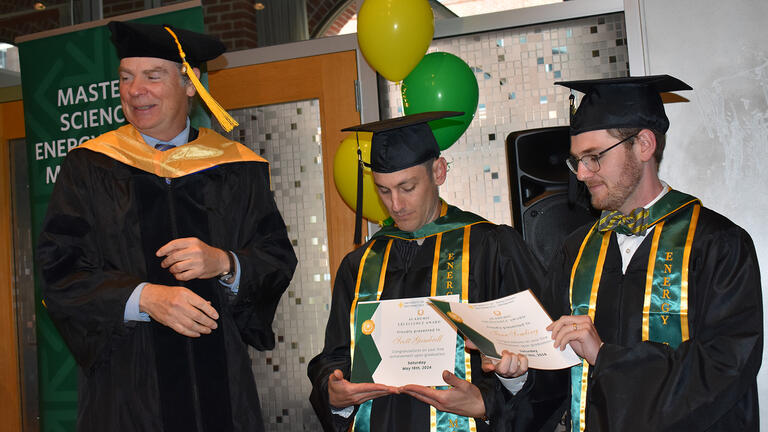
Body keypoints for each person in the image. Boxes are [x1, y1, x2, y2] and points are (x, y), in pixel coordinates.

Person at [36, 21, 297, 432]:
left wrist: (226, 263)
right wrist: (144, 298)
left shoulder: (236, 167)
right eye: (126, 77)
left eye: (152, 76)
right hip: (126, 395)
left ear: (190, 84)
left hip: (221, 393)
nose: (135, 89)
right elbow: (60, 273)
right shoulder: (90, 167)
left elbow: (276, 258)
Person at [493, 75, 763, 431]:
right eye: (577, 161)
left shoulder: (716, 243)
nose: (583, 174)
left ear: (644, 145)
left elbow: (724, 369)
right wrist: (515, 374)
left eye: (593, 157)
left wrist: (604, 356)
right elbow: (558, 382)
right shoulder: (576, 252)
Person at [307, 111, 548, 431]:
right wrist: (333, 394)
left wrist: (487, 402)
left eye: (407, 187)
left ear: (438, 171)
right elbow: (335, 357)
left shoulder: (491, 248)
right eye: (383, 190)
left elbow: (547, 363)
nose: (395, 205)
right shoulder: (361, 264)